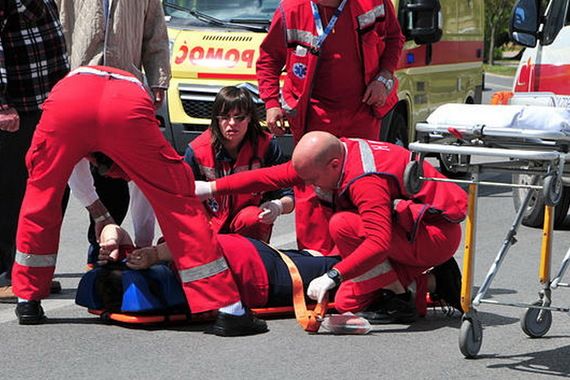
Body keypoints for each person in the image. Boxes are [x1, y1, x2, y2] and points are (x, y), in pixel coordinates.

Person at [12, 65, 267, 337]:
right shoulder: (135, 102)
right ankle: (229, 309)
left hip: (67, 104)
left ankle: (27, 300)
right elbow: (157, 191)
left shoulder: (73, 110)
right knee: (179, 203)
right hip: (124, 106)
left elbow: (61, 181)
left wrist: (106, 219)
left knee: (39, 198)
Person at [195, 131, 467, 323]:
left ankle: (398, 299)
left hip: (435, 236)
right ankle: (431, 282)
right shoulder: (332, 156)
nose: (310, 185)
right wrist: (211, 188)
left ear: (334, 165)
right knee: (348, 301)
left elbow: (378, 242)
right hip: (413, 232)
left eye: (312, 179)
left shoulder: (365, 181)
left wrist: (333, 275)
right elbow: (270, 176)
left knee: (343, 224)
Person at [257, 0, 406, 253]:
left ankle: (359, 259)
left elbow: (394, 38)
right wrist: (272, 103)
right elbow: (268, 58)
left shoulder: (373, 2)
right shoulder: (291, 10)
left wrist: (383, 77)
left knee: (361, 186)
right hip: (313, 117)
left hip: (362, 112)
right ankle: (314, 262)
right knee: (312, 193)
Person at [57, 0, 171, 264]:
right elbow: (56, 28)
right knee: (68, 164)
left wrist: (158, 79)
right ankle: (97, 232)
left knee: (131, 174)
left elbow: (155, 30)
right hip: (77, 82)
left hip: (125, 88)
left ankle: (125, 248)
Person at [87, 224, 340, 313]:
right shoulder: (167, 289)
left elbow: (115, 229)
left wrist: (109, 240)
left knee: (324, 263)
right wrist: (154, 254)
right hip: (261, 274)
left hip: (248, 253)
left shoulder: (138, 267)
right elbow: (193, 247)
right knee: (338, 269)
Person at [0, 0, 69, 302]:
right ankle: (5, 274)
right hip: (18, 105)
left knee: (46, 190)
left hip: (47, 102)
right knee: (12, 192)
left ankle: (28, 272)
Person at [184, 86, 294, 242]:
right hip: (208, 224)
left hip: (246, 221)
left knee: (253, 218)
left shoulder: (267, 146)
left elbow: (288, 196)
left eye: (239, 117)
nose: (232, 123)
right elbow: (180, 200)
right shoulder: (196, 150)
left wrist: (277, 206)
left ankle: (254, 257)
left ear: (249, 118)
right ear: (216, 118)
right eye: (225, 117)